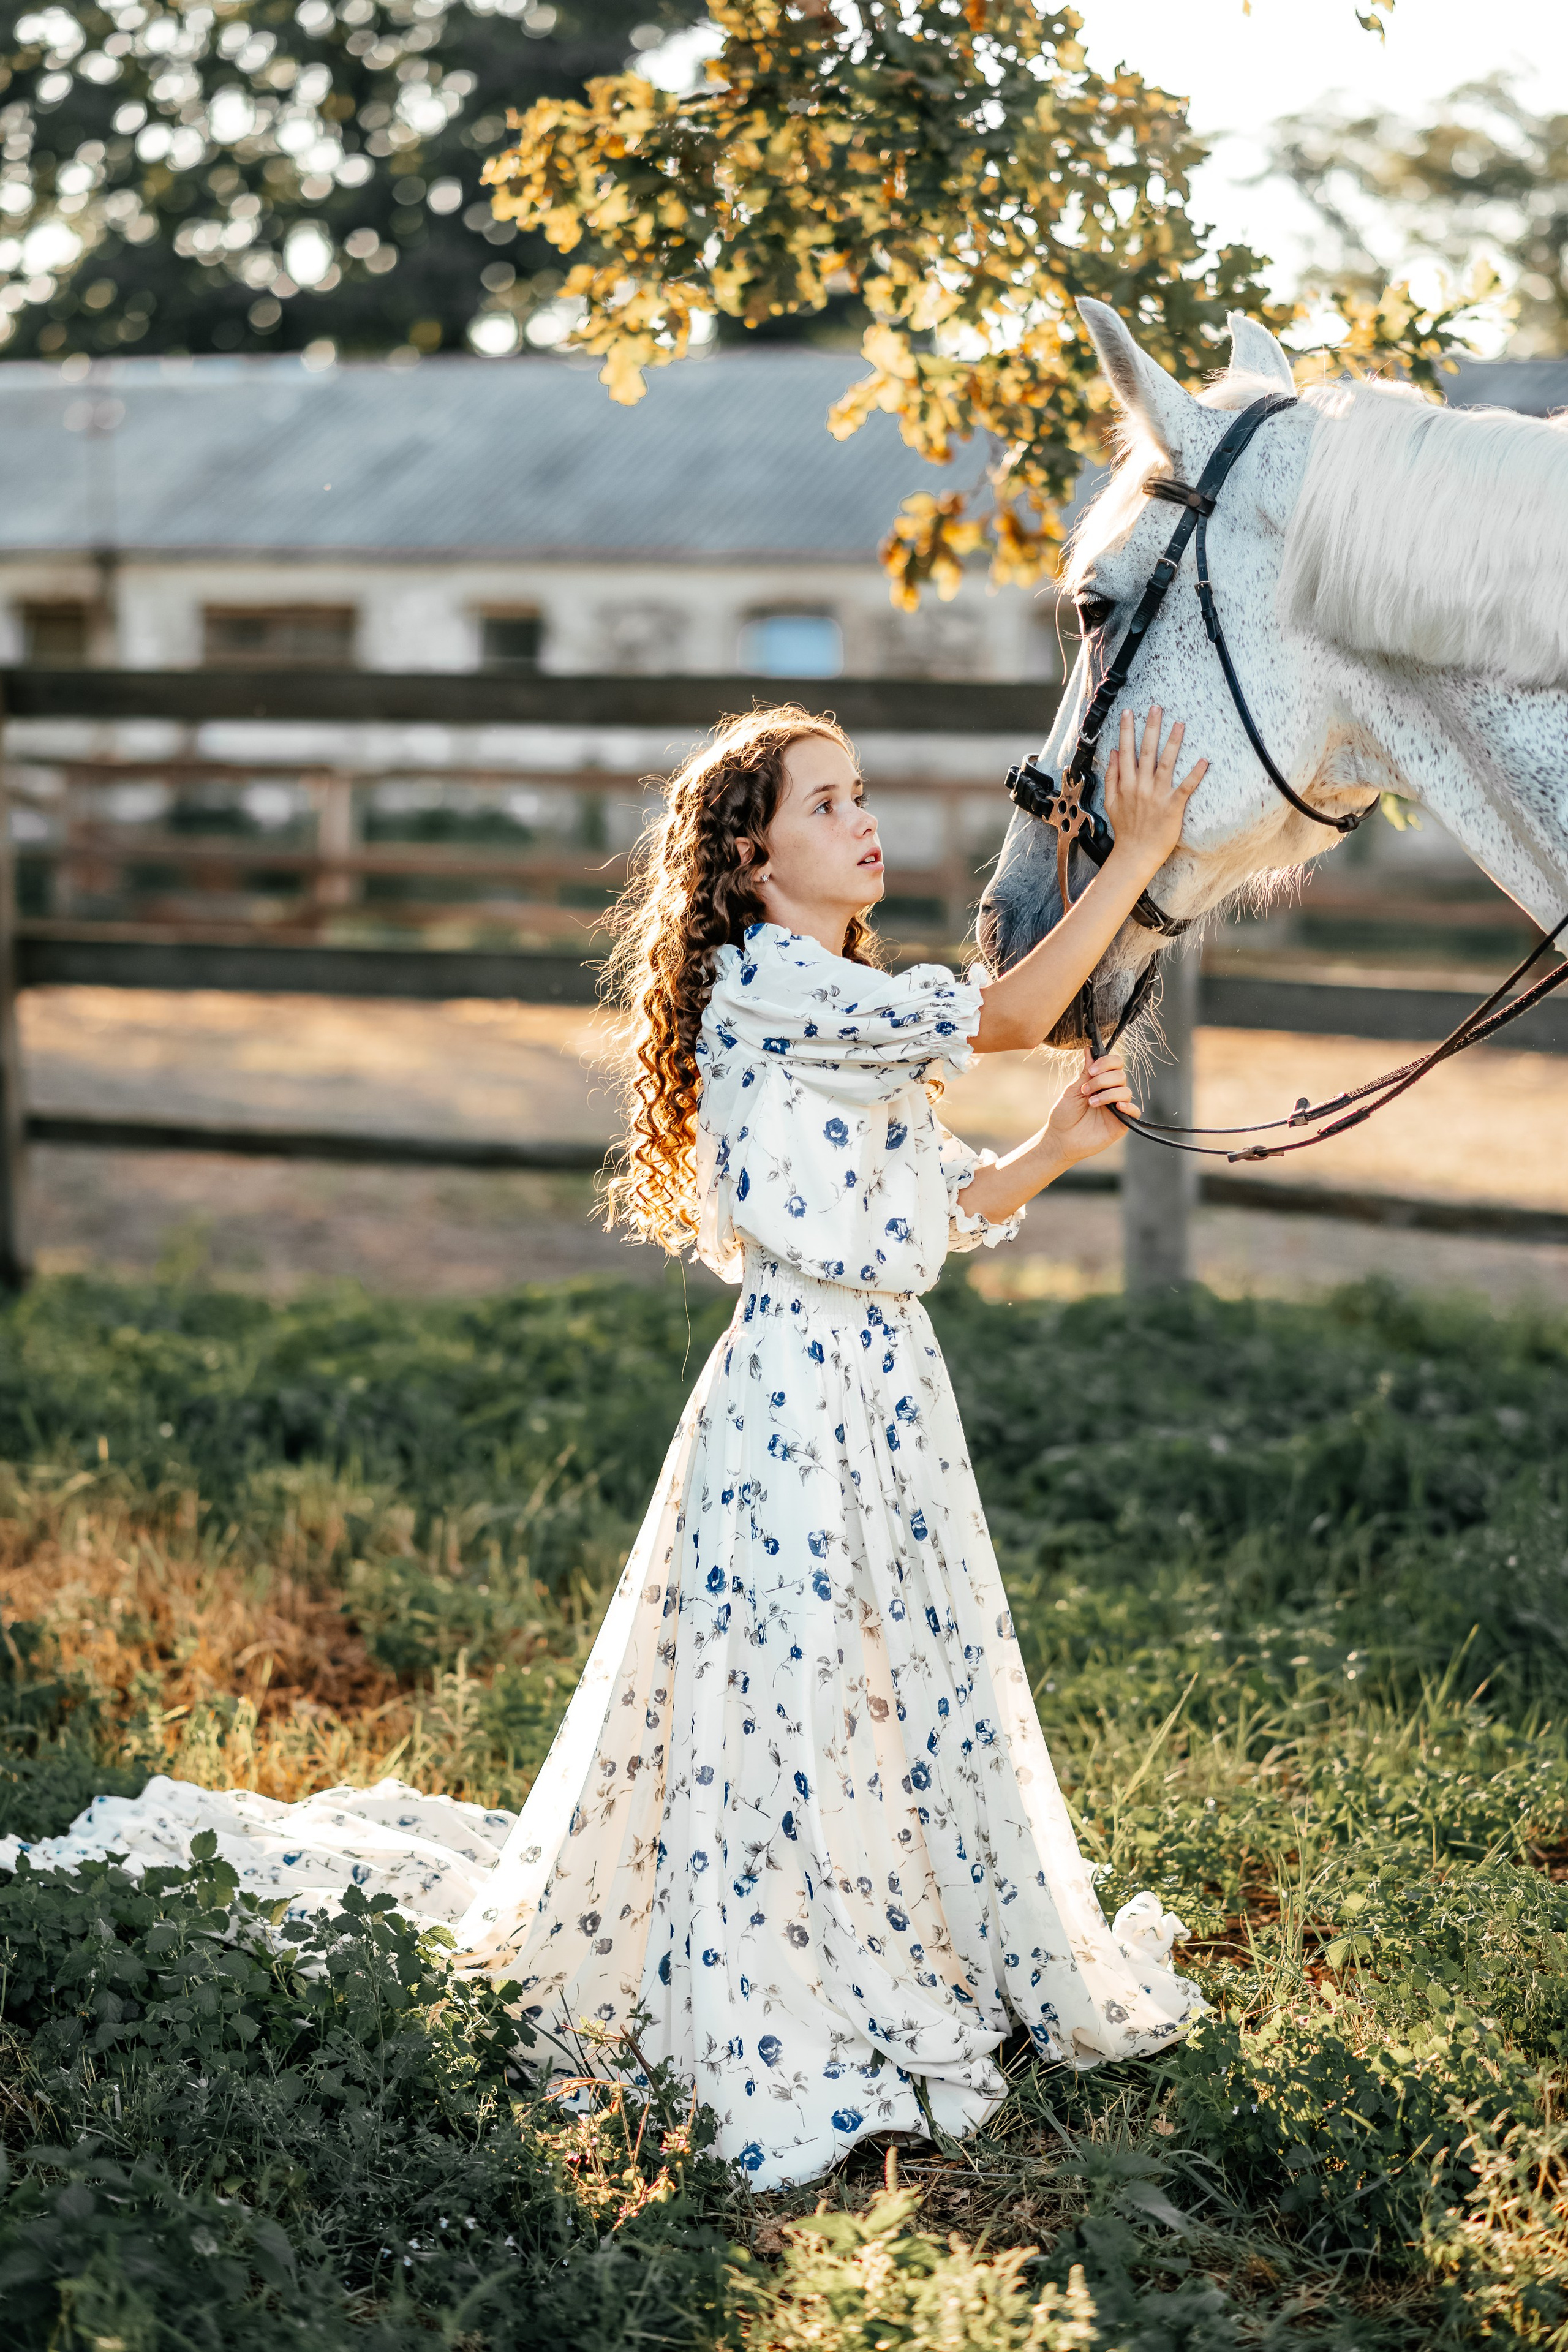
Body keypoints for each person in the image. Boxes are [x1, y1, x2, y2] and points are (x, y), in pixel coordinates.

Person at [0, 701, 1208, 2193]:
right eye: (828, 804)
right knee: (788, 1697)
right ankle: (782, 1988)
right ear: (754, 859)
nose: (864, 820)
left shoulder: (842, 996)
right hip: (794, 1400)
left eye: (860, 794)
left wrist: (1050, 1160)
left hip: (889, 1386)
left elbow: (914, 1213)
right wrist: (1141, 849)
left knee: (890, 1687)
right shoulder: (771, 985)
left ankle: (890, 1933)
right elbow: (1016, 1016)